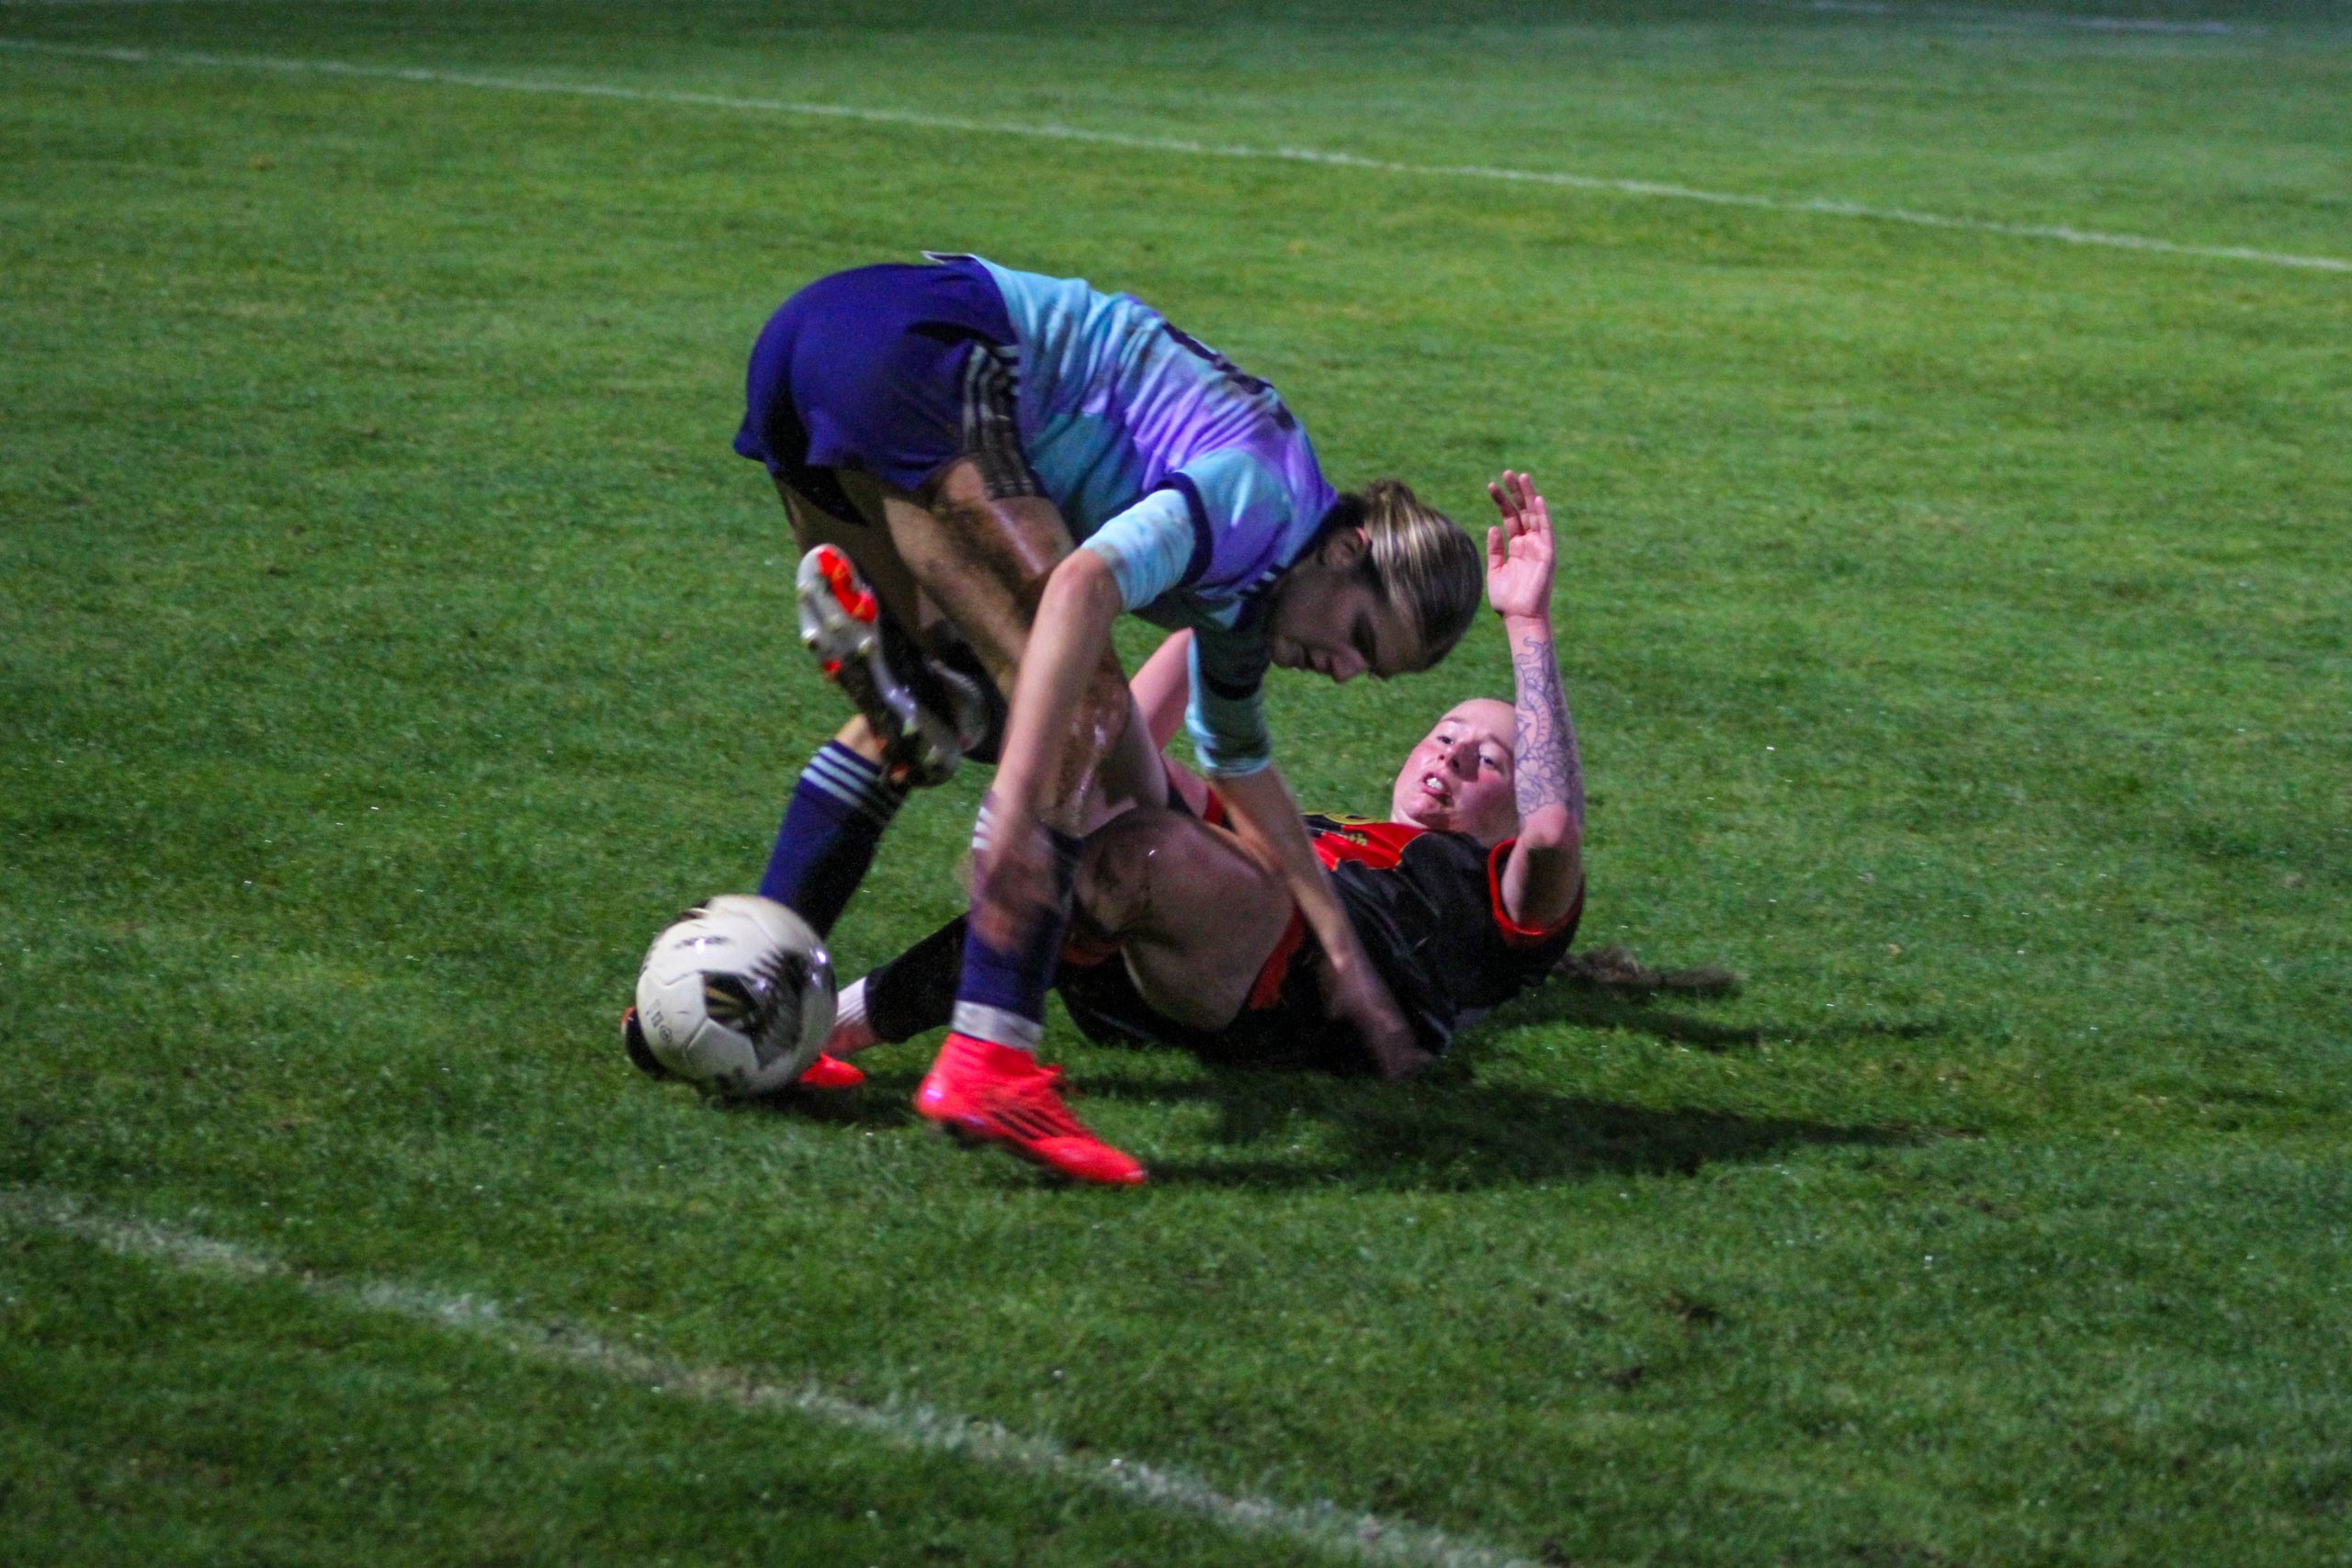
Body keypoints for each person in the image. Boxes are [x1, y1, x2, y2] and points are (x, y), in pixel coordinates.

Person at [713, 253, 1487, 1183]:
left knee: (942, 709)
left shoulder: (1263, 597)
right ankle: (989, 1061)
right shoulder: (1266, 500)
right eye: (1361, 633)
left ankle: (734, 1001)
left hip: (823, 332)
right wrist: (1020, 802)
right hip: (931, 352)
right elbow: (1084, 583)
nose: (1345, 668)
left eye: (1372, 671)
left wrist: (1343, 954)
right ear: (1350, 547)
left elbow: (1243, 768)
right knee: (1082, 705)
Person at [820, 471, 1585, 1085]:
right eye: (1446, 734)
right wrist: (1240, 606)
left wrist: (1529, 624)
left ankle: (841, 1019)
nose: (1449, 755)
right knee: (1087, 702)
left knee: (1149, 847)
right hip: (1184, 954)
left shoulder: (1490, 897)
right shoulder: (1317, 837)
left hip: (1307, 998)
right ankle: (943, 689)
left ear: (1510, 822)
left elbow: (1552, 833)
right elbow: (1130, 742)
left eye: (1488, 760)